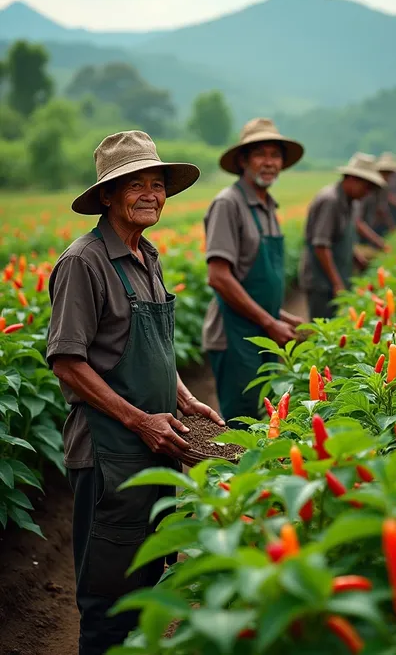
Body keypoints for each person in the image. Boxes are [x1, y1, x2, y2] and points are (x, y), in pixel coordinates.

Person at [47, 130, 224, 655]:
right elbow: (67, 362)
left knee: (146, 584)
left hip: (152, 447)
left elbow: (150, 343)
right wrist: (138, 419)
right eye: (135, 184)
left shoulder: (147, 255)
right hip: (108, 454)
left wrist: (182, 396)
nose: (151, 194)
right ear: (106, 195)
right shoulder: (84, 263)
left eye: (157, 183)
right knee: (106, 600)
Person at [202, 118, 305, 425]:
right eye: (260, 154)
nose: (269, 162)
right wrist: (270, 321)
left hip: (261, 330)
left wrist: (281, 316)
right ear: (243, 160)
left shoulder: (268, 205)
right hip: (234, 336)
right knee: (241, 425)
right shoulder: (228, 203)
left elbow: (252, 278)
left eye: (275, 155)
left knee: (265, 420)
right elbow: (218, 276)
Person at [299, 153, 386, 320]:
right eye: (366, 187)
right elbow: (321, 246)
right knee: (322, 330)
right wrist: (337, 282)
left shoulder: (351, 202)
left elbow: (341, 237)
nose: (367, 193)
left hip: (336, 275)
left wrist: (356, 257)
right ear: (352, 179)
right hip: (322, 281)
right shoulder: (330, 200)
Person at [356, 152, 396, 242]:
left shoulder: (383, 187)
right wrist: (377, 240)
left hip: (370, 227)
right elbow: (357, 220)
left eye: (389, 173)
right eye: (384, 172)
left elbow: (382, 208)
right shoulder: (363, 191)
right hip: (360, 232)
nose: (386, 176)